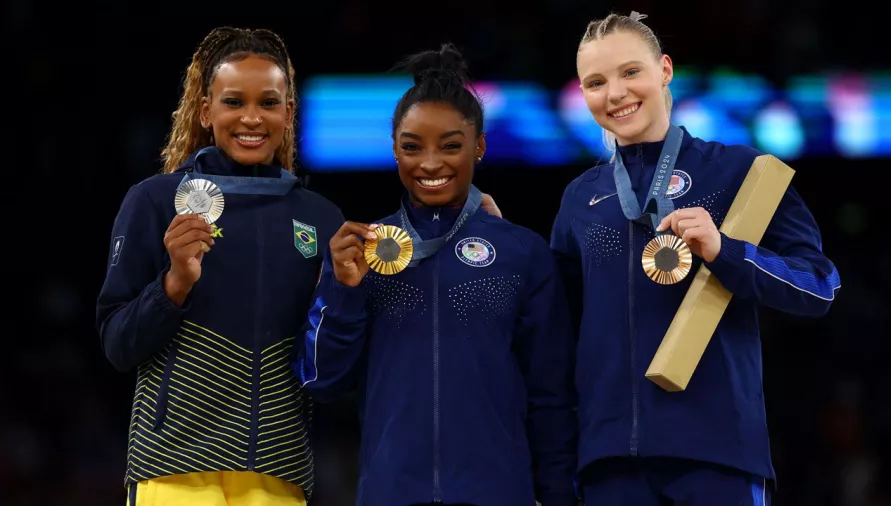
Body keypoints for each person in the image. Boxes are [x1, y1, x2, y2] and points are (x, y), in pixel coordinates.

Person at [550, 11, 842, 506]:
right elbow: (556, 332)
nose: (615, 93)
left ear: (664, 70)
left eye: (630, 72)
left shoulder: (741, 171)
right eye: (595, 82)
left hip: (718, 454)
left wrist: (726, 252)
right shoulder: (581, 198)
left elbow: (819, 286)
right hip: (609, 465)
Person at [292, 44, 579, 506]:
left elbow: (551, 398)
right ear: (394, 150)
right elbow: (322, 382)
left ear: (479, 146)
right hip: (391, 493)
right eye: (412, 147)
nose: (429, 164)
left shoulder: (522, 253)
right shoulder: (360, 253)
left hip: (499, 494)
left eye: (450, 145)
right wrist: (342, 291)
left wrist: (559, 495)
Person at [95, 27, 346, 506]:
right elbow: (116, 344)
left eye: (268, 103)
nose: (251, 118)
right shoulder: (155, 200)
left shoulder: (320, 217)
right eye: (234, 102)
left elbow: (327, 367)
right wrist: (173, 285)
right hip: (174, 466)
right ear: (206, 111)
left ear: (288, 114)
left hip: (279, 468)